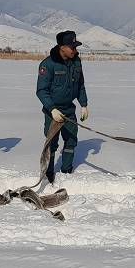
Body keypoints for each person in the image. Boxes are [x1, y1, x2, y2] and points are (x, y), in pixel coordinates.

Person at [36, 30, 89, 183]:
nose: (75, 50)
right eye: (72, 47)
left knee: (71, 141)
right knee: (51, 144)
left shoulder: (76, 62)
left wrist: (84, 104)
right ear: (61, 47)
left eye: (75, 47)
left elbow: (80, 85)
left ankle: (66, 172)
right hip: (52, 111)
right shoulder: (48, 64)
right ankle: (49, 175)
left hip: (68, 110)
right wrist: (52, 109)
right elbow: (41, 90)